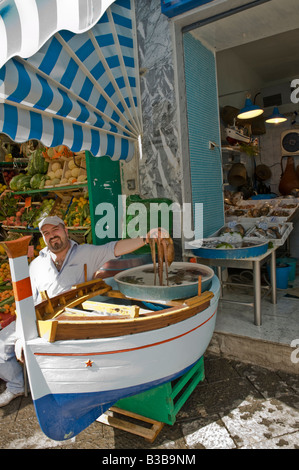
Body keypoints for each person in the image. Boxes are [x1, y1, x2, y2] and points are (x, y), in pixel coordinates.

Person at [0, 215, 153, 407]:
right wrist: (22, 335)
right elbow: (26, 301)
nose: (51, 236)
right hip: (39, 318)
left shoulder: (85, 253)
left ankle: (72, 388)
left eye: (55, 230)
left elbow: (114, 248)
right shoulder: (36, 265)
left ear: (65, 230)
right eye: (46, 233)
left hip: (72, 318)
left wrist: (146, 238)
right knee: (1, 347)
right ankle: (17, 386)